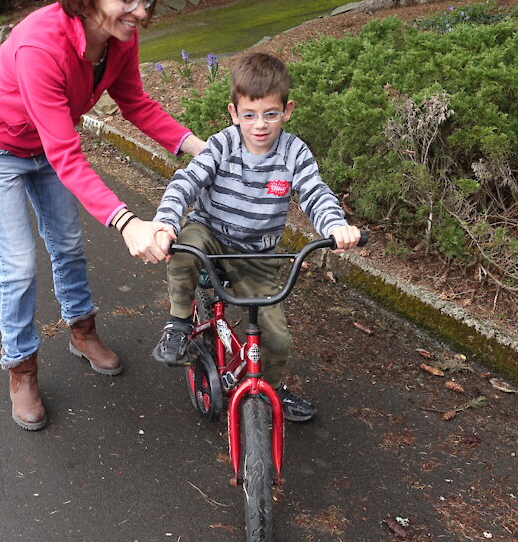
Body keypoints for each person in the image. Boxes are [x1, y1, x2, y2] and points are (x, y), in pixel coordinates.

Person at [0, 0, 208, 431]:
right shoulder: (40, 46)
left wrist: (201, 150)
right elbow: (67, 154)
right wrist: (126, 221)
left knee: (67, 242)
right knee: (20, 264)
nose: (142, 11)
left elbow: (135, 102)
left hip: (45, 145)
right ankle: (21, 367)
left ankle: (81, 330)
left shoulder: (117, 38)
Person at [150, 52, 361, 422]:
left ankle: (273, 388)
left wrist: (335, 226)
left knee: (276, 338)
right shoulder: (221, 145)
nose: (259, 125)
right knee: (184, 249)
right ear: (234, 113)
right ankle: (179, 324)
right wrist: (166, 222)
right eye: (249, 115)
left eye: (270, 114)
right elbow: (186, 182)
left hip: (257, 254)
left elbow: (315, 192)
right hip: (211, 234)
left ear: (287, 110)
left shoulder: (294, 152)